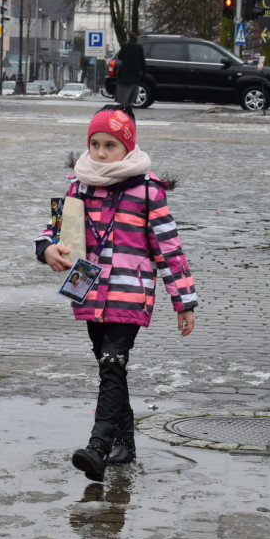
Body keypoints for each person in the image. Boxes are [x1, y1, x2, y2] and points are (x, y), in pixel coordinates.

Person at [33, 106, 198, 481]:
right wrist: (46, 249)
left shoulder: (147, 189)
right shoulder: (79, 185)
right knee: (111, 369)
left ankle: (98, 447)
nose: (102, 153)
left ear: (128, 147)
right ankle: (126, 439)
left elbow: (168, 249)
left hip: (129, 294)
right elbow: (52, 232)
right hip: (89, 292)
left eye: (111, 145)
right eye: (95, 144)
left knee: (111, 362)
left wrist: (184, 302)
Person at [114, 31, 146, 108]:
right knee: (133, 89)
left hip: (124, 72)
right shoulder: (139, 47)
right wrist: (144, 71)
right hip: (135, 73)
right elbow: (142, 60)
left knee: (123, 88)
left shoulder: (125, 46)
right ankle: (130, 103)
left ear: (129, 38)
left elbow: (120, 57)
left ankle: (123, 102)